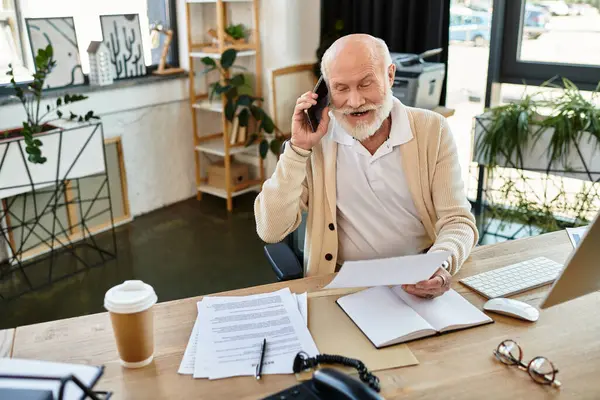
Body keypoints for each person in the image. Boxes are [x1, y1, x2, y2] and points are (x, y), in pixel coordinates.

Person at [255, 34, 478, 299]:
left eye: (366, 84)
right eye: (340, 88)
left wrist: (440, 264)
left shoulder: (432, 129)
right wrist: (298, 149)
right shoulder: (317, 142)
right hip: (341, 283)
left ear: (391, 76)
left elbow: (458, 221)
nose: (355, 101)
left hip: (418, 279)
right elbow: (270, 230)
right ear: (325, 90)